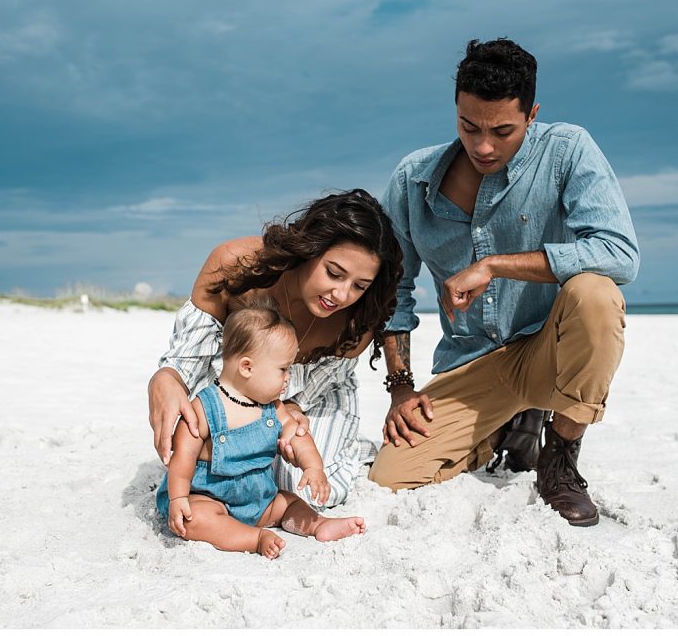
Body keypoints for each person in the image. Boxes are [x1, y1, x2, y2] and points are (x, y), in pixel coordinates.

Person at [369, 38, 640, 527]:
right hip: (472, 365)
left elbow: (619, 253)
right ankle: (505, 428)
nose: (483, 146)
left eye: (502, 130)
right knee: (390, 477)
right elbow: (393, 291)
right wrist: (400, 390)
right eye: (469, 127)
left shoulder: (568, 150)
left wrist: (495, 264)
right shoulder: (412, 180)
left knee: (596, 293)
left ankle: (558, 457)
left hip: (548, 351)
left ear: (532, 114)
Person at [149, 189, 403, 508]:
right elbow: (189, 356)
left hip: (317, 395)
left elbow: (318, 388)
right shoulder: (236, 265)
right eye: (334, 273)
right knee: (212, 469)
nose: (341, 295)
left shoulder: (357, 320)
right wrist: (167, 379)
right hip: (242, 382)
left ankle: (352, 447)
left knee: (306, 489)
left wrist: (293, 407)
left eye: (359, 286)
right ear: (310, 249)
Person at [156, 300, 366, 559]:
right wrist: (178, 499)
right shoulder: (203, 408)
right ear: (247, 367)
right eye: (283, 369)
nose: (288, 377)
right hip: (209, 497)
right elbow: (182, 460)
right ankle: (254, 538)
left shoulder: (272, 408)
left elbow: (298, 435)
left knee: (288, 503)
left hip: (260, 498)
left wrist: (313, 467)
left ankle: (318, 524)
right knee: (196, 519)